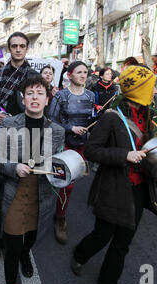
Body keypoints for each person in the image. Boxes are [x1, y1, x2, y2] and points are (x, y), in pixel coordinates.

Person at [71, 65, 157, 284]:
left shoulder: (148, 115)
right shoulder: (112, 117)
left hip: (139, 188)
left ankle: (109, 281)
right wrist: (123, 155)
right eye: (150, 87)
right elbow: (92, 150)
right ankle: (80, 255)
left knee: (124, 240)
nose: (155, 91)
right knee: (103, 235)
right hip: (114, 187)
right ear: (137, 90)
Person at [0, 76, 64, 284]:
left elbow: (60, 163)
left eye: (40, 93)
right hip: (14, 191)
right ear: (23, 99)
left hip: (42, 193)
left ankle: (26, 253)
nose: (34, 97)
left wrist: (65, 171)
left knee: (32, 236)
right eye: (30, 93)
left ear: (47, 99)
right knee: (12, 241)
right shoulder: (10, 123)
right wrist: (14, 168)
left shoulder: (58, 130)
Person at [48, 61, 95, 244]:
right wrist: (71, 128)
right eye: (79, 72)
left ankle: (60, 215)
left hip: (81, 146)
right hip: (64, 146)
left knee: (70, 184)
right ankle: (55, 215)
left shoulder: (91, 95)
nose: (83, 75)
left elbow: (92, 118)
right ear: (70, 75)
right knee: (62, 183)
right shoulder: (61, 96)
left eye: (85, 72)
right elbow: (50, 121)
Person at [0, 32, 39, 122]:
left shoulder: (35, 77)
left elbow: (39, 106)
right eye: (14, 46)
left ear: (27, 49)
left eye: (22, 46)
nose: (18, 50)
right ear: (9, 49)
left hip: (25, 127)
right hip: (0, 127)